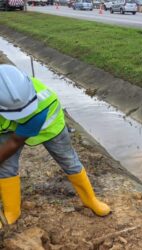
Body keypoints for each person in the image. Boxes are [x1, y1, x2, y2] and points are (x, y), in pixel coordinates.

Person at [0, 64, 110, 226]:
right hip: (7, 129)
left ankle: (90, 200)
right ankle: (12, 212)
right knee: (6, 167)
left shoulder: (44, 103)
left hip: (49, 128)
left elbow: (15, 142)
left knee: (69, 161)